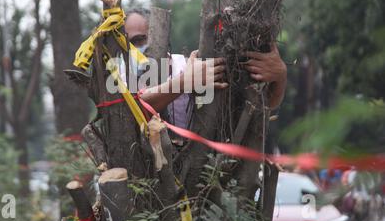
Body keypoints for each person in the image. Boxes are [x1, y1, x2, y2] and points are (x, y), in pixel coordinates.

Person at [123, 9, 287, 130]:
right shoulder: (120, 75)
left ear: (160, 37)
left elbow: (258, 107)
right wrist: (184, 83)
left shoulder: (191, 66)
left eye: (141, 39)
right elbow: (127, 111)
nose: (136, 49)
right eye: (129, 43)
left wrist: (279, 77)